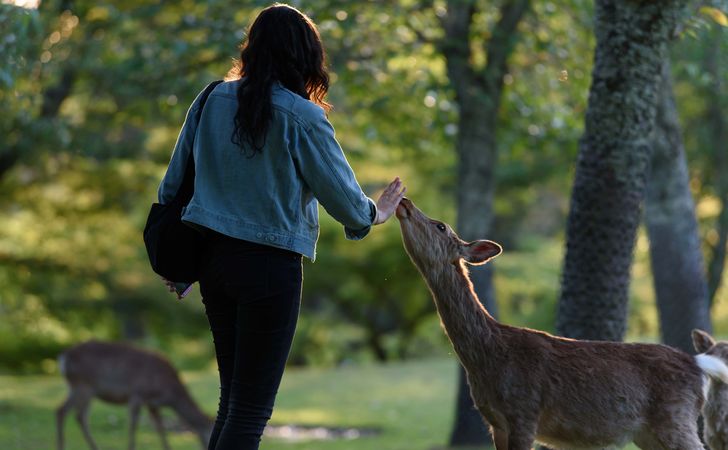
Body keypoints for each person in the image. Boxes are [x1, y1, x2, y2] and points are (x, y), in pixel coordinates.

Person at [156, 4, 406, 449]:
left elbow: (172, 187)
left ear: (251, 49)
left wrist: (182, 265)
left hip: (213, 265)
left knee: (232, 404)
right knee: (249, 412)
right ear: (306, 56)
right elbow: (349, 205)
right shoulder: (303, 116)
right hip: (270, 270)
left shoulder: (210, 98)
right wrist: (378, 213)